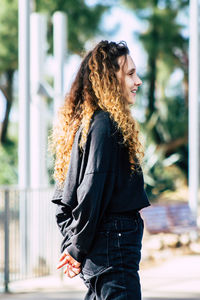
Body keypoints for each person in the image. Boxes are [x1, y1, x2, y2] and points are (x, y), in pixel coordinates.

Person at [49, 40, 151, 300]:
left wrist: (74, 244)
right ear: (108, 78)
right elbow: (91, 190)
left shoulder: (93, 123)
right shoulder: (105, 124)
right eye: (130, 74)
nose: (138, 81)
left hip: (108, 245)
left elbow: (70, 195)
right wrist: (76, 248)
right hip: (113, 246)